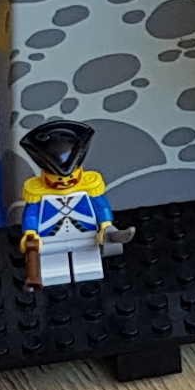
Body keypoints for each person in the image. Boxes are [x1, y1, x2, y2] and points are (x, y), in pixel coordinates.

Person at [17, 120, 125, 287]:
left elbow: (101, 206)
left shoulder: (88, 187)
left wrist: (106, 225)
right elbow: (32, 214)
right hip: (50, 241)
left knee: (90, 270)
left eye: (70, 177)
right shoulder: (38, 193)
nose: (65, 182)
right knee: (53, 274)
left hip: (87, 239)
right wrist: (30, 232)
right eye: (58, 179)